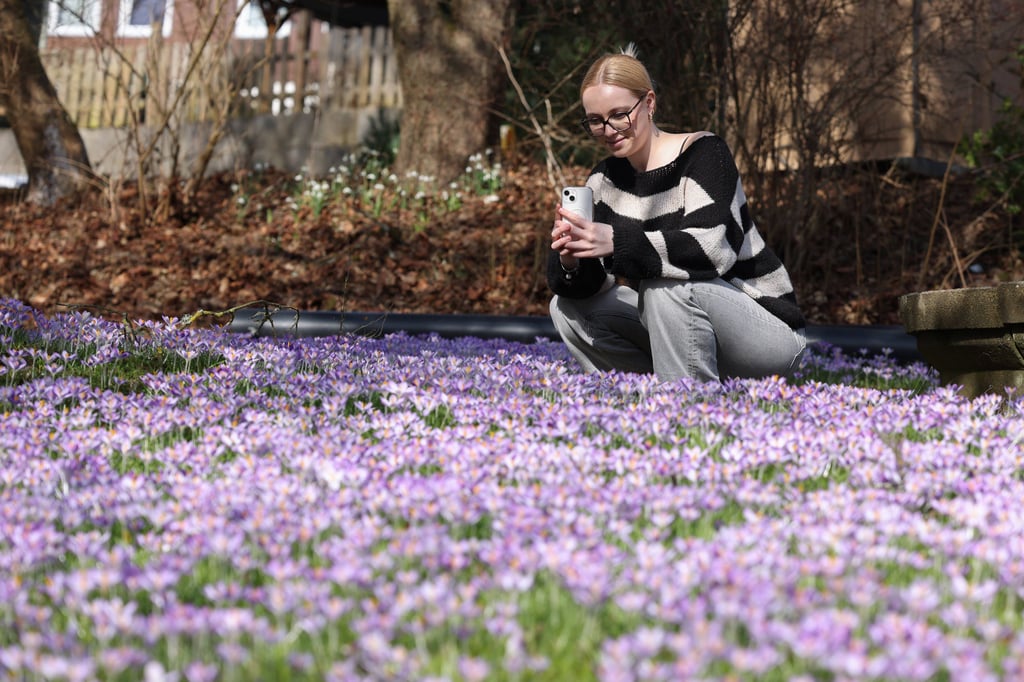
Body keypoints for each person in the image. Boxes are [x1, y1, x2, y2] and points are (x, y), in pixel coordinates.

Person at [547, 45, 806, 383]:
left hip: (764, 333)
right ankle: (638, 400)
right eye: (595, 121)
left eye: (619, 114)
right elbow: (592, 286)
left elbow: (711, 251)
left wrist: (616, 241)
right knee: (567, 308)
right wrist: (571, 258)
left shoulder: (704, 154)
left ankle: (686, 410)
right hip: (677, 323)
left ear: (649, 103)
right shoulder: (603, 180)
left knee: (664, 287)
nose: (609, 130)